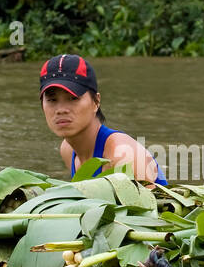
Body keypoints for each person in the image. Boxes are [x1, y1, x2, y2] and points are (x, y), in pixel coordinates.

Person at [39, 54, 167, 186]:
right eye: (52, 100)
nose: (61, 109)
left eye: (73, 98)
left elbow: (149, 206)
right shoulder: (68, 150)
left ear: (96, 102)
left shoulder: (122, 155)